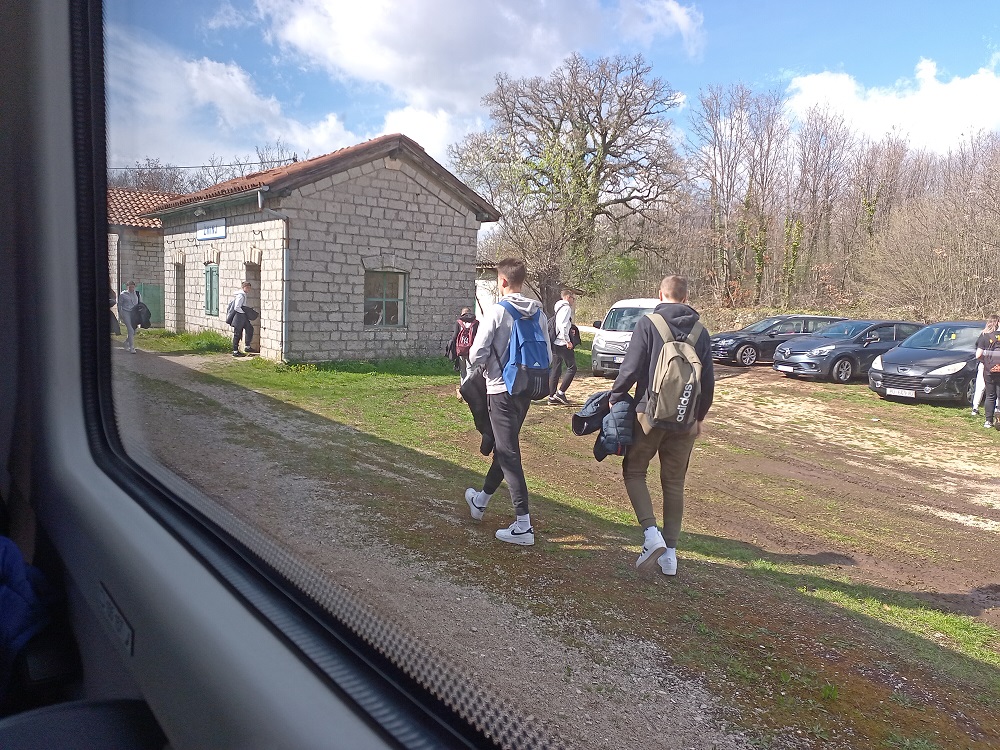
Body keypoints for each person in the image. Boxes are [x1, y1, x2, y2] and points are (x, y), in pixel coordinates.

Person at [609, 275, 714, 576]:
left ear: (660, 294)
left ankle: (650, 534)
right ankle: (670, 556)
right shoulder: (701, 331)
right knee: (674, 483)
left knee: (634, 471)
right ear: (685, 297)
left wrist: (615, 396)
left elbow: (630, 368)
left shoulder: (649, 324)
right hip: (685, 418)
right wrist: (699, 417)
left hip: (649, 415)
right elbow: (708, 382)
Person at [463, 258, 551, 546]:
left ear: (502, 281)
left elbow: (477, 353)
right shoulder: (538, 314)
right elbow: (549, 356)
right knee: (505, 448)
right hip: (525, 389)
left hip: (500, 389)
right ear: (522, 280)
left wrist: (481, 369)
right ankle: (480, 501)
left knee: (508, 453)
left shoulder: (498, 311)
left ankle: (523, 525)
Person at [547, 289, 578, 405]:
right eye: (573, 298)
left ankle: (551, 396)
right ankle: (560, 393)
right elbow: (563, 325)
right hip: (562, 343)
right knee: (572, 367)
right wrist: (568, 340)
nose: (573, 301)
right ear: (568, 297)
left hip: (555, 342)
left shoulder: (558, 306)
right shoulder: (566, 308)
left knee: (556, 369)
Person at [975, 315, 1000, 428]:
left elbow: (978, 355)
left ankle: (988, 421)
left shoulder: (984, 336)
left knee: (990, 395)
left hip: (989, 370)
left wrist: (985, 362)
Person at [452, 306, 479, 397]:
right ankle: (467, 390)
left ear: (462, 314)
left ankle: (463, 390)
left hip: (460, 350)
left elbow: (455, 336)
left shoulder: (459, 322)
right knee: (470, 370)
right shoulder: (476, 323)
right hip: (471, 350)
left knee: (463, 371)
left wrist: (453, 350)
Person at [228, 282, 254, 357]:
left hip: (242, 316)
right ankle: (235, 351)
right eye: (247, 287)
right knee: (237, 333)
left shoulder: (243, 295)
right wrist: (244, 312)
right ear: (243, 287)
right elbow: (237, 307)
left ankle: (247, 347)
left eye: (249, 288)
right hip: (239, 316)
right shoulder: (241, 296)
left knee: (249, 328)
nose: (249, 289)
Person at [117, 281, 139, 353]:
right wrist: (120, 314)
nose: (131, 288)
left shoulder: (137, 294)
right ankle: (132, 347)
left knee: (134, 330)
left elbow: (140, 303)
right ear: (127, 287)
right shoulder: (123, 294)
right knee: (130, 330)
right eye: (130, 287)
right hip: (126, 312)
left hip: (134, 313)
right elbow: (119, 305)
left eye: (133, 287)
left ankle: (126, 342)